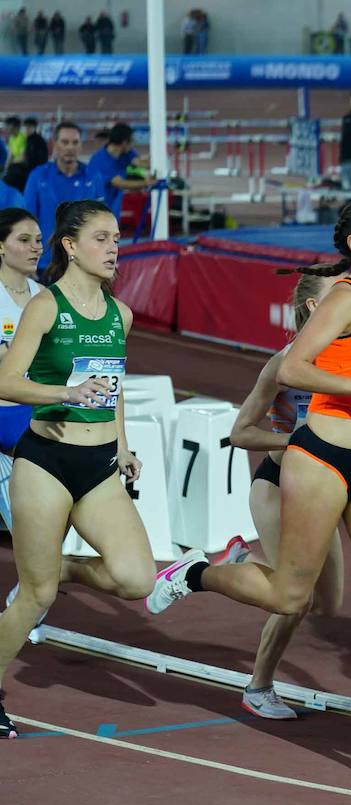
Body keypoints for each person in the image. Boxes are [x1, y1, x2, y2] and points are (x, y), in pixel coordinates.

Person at [144, 198, 351, 775]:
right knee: (294, 597)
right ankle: (193, 572)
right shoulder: (344, 297)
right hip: (319, 458)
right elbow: (293, 370)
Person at [0, 200, 156, 740]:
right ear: (70, 246)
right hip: (46, 460)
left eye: (117, 238)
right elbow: (6, 381)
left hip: (99, 463)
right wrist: (62, 392)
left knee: (137, 578)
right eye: (101, 238)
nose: (114, 247)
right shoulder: (45, 306)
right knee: (36, 599)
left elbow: (111, 387)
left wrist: (124, 445)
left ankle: (54, 568)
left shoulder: (122, 314)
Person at [227, 271, 346, 719]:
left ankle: (242, 562)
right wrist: (294, 443)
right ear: (316, 309)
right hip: (278, 485)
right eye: (340, 295)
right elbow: (240, 433)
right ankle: (258, 687)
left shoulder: (347, 360)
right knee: (294, 599)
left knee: (329, 603)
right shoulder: (284, 363)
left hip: (324, 488)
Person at [23, 121, 100, 271]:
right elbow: (26, 222)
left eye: (75, 142)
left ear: (80, 146)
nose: (70, 147)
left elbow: (100, 223)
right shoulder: (38, 176)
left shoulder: (93, 177)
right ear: (55, 145)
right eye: (65, 142)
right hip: (45, 264)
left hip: (83, 264)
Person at [0, 208, 43, 459]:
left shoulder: (46, 297)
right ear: (1, 247)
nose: (35, 248)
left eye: (38, 240)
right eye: (24, 240)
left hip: (36, 412)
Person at [86, 122, 153, 218]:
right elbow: (120, 183)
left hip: (113, 207)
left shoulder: (126, 153)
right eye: (132, 141)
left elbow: (140, 163)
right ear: (124, 142)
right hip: (96, 210)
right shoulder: (100, 161)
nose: (133, 144)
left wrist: (156, 156)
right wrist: (147, 183)